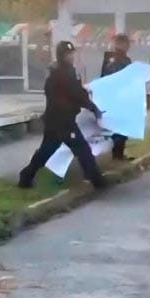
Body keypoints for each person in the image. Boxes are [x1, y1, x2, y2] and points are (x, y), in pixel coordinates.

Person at [19, 41, 108, 189]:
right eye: (68, 54)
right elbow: (75, 94)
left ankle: (26, 176)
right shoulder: (60, 74)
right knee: (82, 149)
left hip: (57, 121)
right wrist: (92, 107)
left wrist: (89, 104)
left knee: (46, 151)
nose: (71, 56)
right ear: (62, 55)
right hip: (63, 121)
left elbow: (77, 92)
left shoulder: (66, 72)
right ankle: (97, 181)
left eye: (72, 53)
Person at [101, 34, 133, 161]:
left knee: (120, 128)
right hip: (119, 99)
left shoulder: (112, 59)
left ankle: (119, 154)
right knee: (120, 128)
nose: (128, 46)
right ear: (121, 44)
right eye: (127, 44)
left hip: (116, 99)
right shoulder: (120, 61)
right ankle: (117, 155)